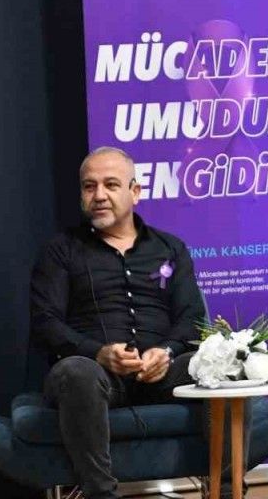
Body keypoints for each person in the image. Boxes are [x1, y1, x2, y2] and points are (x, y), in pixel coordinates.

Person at [31, 146, 214, 499]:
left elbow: (192, 317)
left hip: (162, 374)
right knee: (76, 372)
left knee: (216, 367)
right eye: (89, 186)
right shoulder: (61, 251)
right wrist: (98, 353)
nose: (99, 195)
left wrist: (166, 351)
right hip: (95, 378)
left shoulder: (170, 248)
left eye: (111, 185)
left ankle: (226, 489)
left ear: (135, 191)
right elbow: (45, 322)